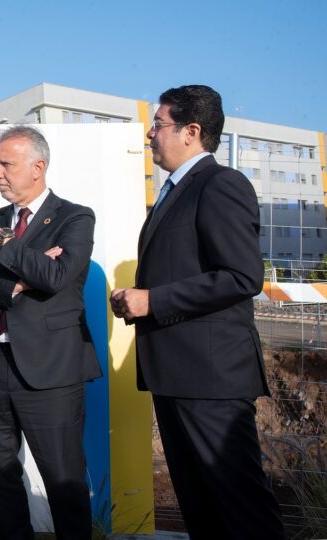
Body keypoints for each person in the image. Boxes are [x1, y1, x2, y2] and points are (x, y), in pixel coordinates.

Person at [110, 85, 284, 539]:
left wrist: (154, 300)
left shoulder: (220, 184)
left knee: (240, 508)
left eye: (159, 123)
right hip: (177, 375)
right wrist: (140, 298)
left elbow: (241, 276)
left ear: (191, 131)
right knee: (202, 509)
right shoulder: (174, 191)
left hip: (211, 380)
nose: (150, 134)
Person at [0, 125, 101, 540]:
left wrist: (3, 242)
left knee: (64, 483)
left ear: (38, 167)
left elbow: (56, 276)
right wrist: (19, 283)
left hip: (51, 370)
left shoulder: (75, 216)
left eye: (7, 164)